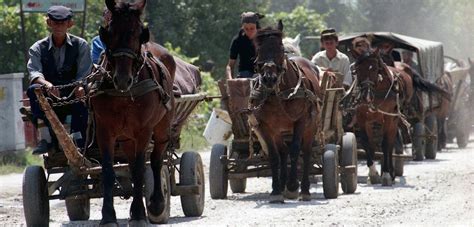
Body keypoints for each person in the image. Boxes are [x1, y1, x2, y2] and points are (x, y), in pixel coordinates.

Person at [26, 5, 92, 154]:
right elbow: (34, 72)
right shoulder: (37, 48)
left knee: (84, 93)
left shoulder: (81, 45)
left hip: (73, 91)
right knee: (33, 90)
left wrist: (80, 86)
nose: (59, 26)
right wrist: (47, 84)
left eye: (63, 23)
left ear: (70, 24)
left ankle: (78, 139)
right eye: (55, 22)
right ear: (49, 23)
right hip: (49, 94)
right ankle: (45, 139)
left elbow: (84, 73)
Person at [225, 12, 264, 80]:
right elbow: (230, 65)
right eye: (246, 29)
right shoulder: (238, 41)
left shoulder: (264, 40)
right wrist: (230, 79)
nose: (249, 31)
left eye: (252, 28)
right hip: (244, 75)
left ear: (257, 28)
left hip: (263, 74)